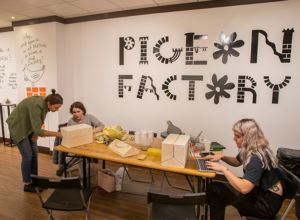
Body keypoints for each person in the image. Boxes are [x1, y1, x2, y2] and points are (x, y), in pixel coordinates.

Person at [205, 118, 285, 220]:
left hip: (266, 205)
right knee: (216, 198)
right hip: (262, 195)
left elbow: (244, 188)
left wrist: (224, 169)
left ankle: (200, 205)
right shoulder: (252, 148)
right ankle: (203, 205)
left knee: (214, 187)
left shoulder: (256, 158)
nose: (234, 139)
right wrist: (222, 157)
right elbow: (237, 162)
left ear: (248, 138)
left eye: (237, 136)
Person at [6, 89, 63, 193]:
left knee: (34, 153)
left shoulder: (45, 104)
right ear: (49, 103)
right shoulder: (36, 105)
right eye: (56, 107)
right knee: (27, 155)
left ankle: (35, 181)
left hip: (28, 127)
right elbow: (38, 128)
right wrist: (58, 134)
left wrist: (35, 133)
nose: (57, 110)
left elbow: (40, 120)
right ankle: (27, 184)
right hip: (18, 127)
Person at [56, 101, 104, 178]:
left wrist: (91, 131)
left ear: (83, 111)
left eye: (78, 111)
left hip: (89, 144)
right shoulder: (71, 121)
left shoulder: (89, 117)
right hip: (76, 144)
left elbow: (101, 126)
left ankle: (64, 166)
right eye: (74, 112)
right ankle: (83, 178)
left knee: (79, 154)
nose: (76, 114)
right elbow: (68, 134)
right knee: (79, 154)